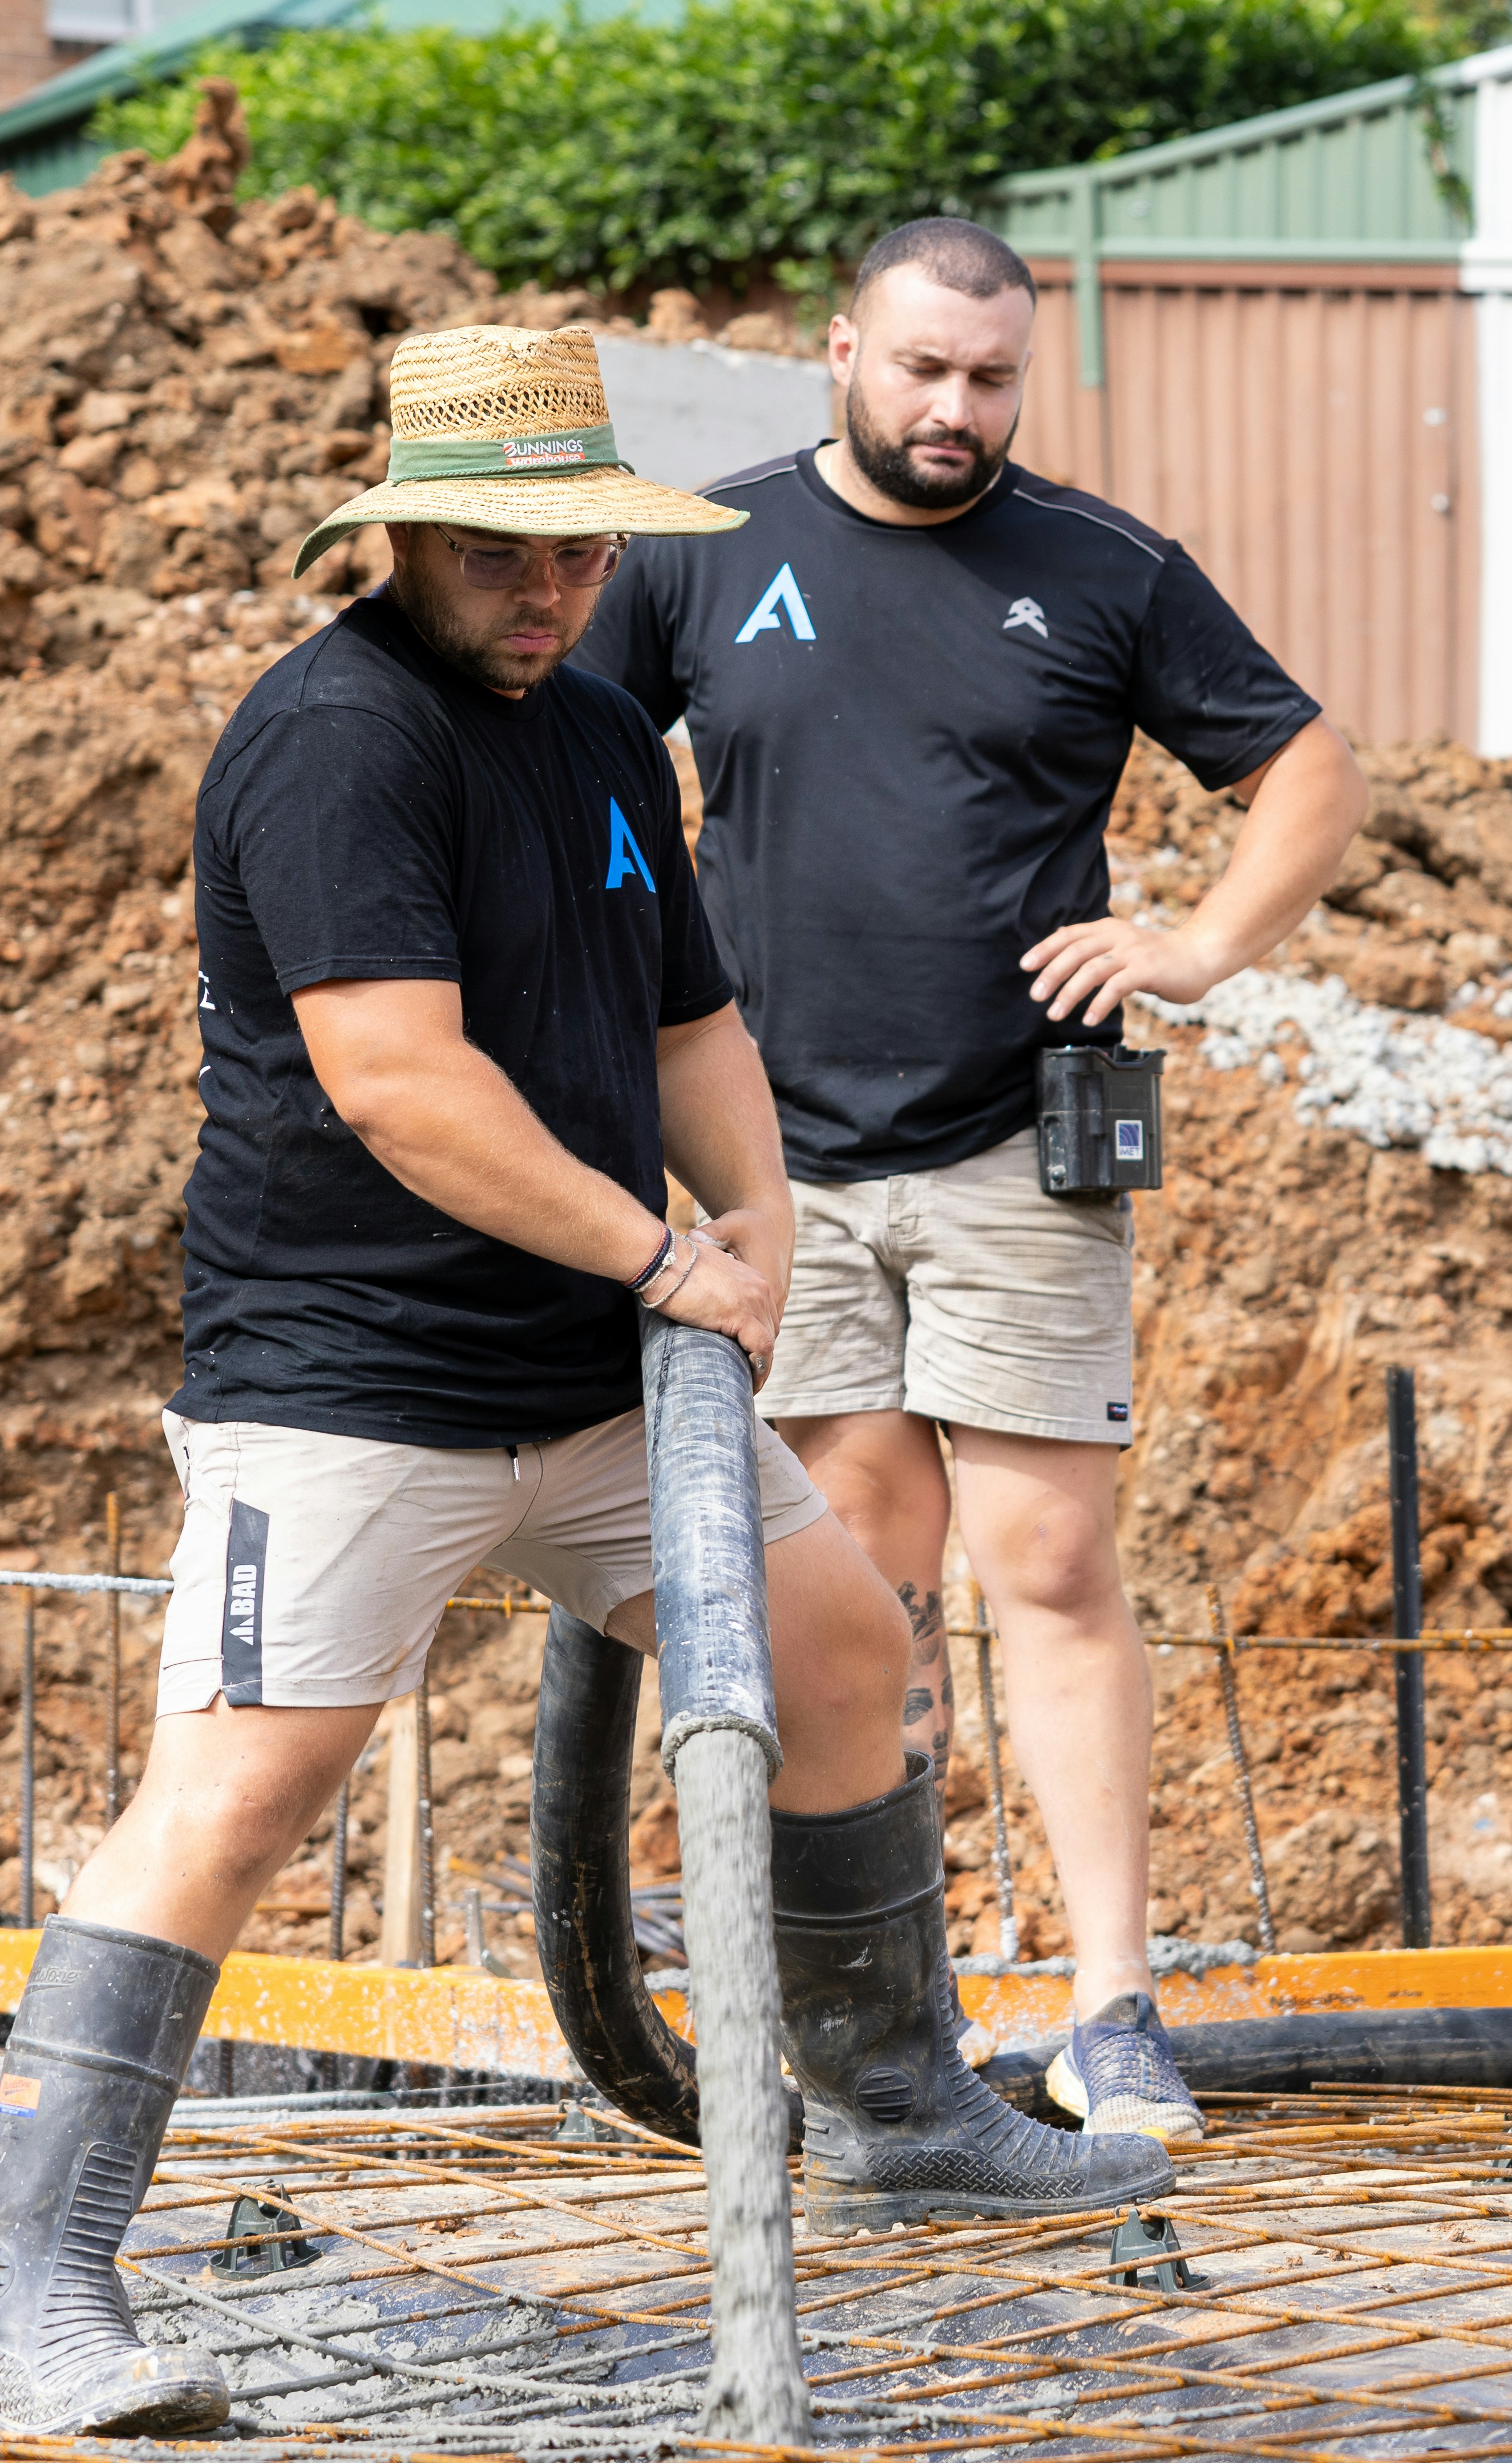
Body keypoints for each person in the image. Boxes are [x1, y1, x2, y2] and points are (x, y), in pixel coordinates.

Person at [0, 323, 1170, 2448]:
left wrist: (761, 1217)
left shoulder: (603, 731)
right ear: (407, 531)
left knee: (840, 1648)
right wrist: (664, 1255)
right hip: (352, 1381)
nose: (548, 597)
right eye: (507, 558)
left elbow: (689, 1012)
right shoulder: (337, 738)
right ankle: (36, 2292)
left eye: (579, 562)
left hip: (602, 1382)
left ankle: (892, 2100)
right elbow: (397, 1083)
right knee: (240, 1794)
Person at [579, 224, 1368, 2151]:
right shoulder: (701, 546)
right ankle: (885, 2017)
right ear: (842, 351)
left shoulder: (1099, 571)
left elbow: (1311, 769)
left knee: (1051, 1569)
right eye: (923, 370)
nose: (956, 412)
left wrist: (1192, 944)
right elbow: (572, 770)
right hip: (776, 1165)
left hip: (1024, 1146)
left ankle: (1109, 2012)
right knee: (858, 1586)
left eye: (992, 380)